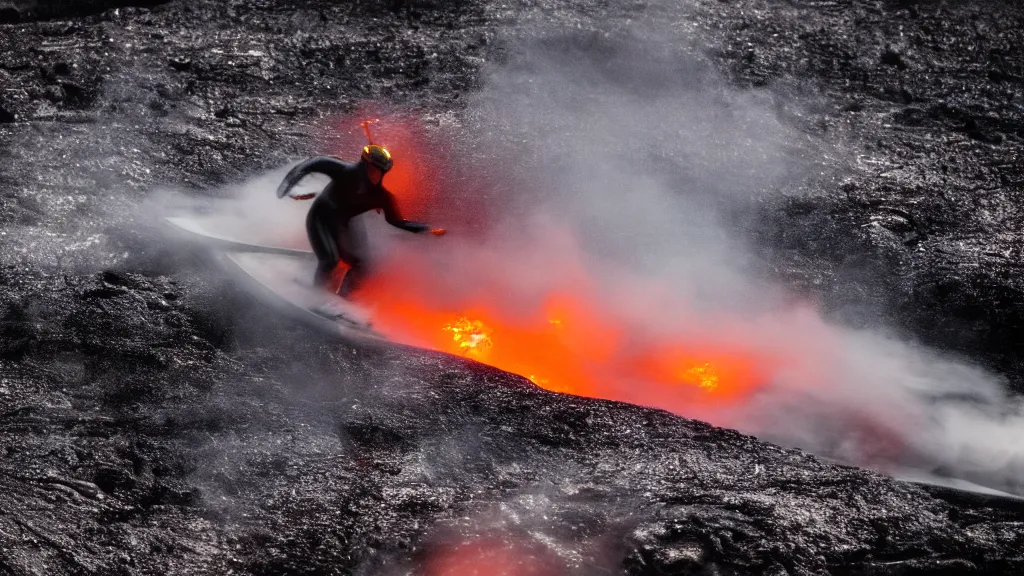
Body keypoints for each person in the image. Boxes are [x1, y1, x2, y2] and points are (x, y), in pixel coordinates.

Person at [275, 144, 443, 298]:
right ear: (364, 165)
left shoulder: (381, 197)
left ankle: (342, 301)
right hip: (321, 218)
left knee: (364, 264)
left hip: (342, 226)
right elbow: (312, 164)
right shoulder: (343, 170)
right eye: (372, 169)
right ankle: (316, 298)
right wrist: (287, 187)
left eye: (380, 172)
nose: (375, 175)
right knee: (330, 260)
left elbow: (397, 221)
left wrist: (425, 229)